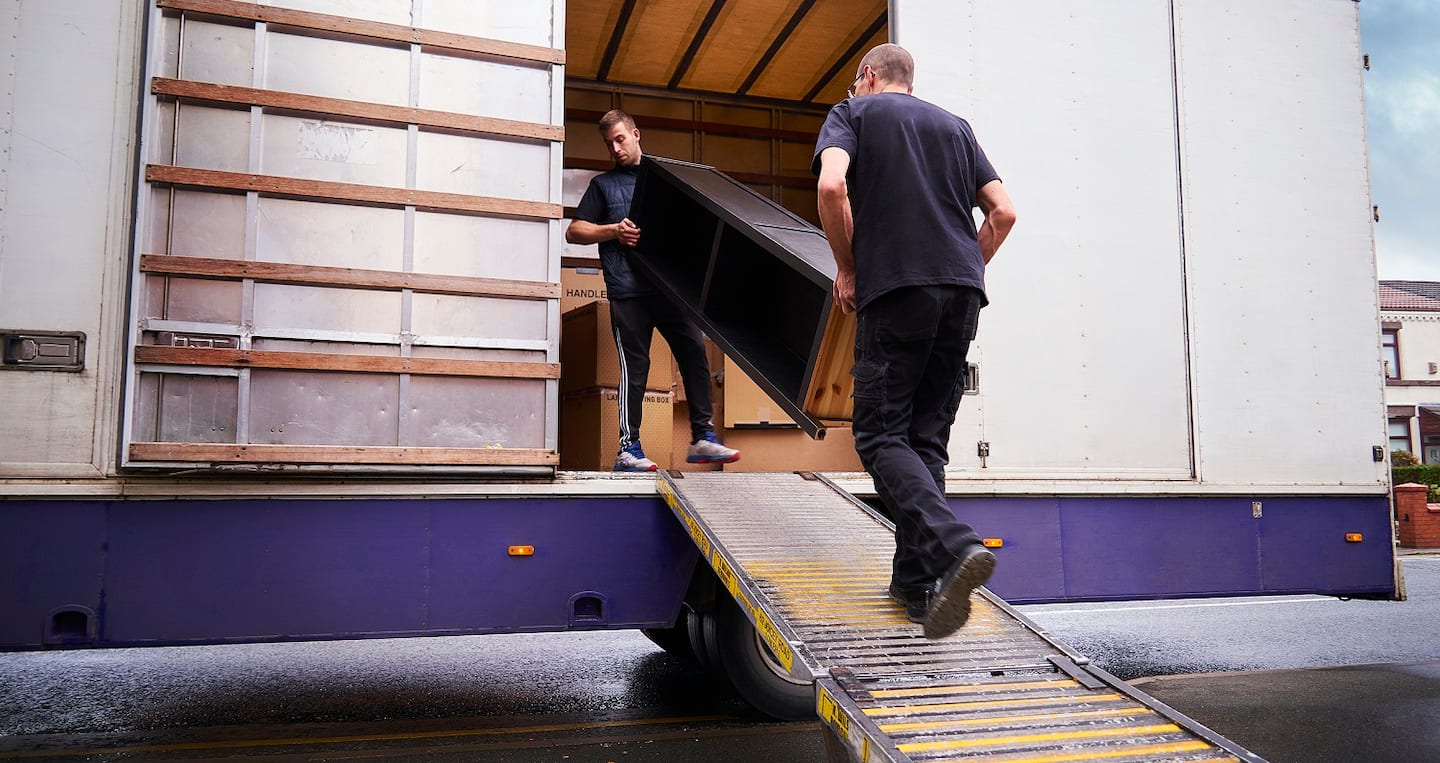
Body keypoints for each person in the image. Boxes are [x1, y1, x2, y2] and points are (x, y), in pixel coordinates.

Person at [813, 44, 1017, 639]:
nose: (854, 89)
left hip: (897, 289)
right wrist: (966, 268)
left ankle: (953, 547)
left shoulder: (852, 114)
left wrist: (848, 268)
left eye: (856, 82)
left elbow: (831, 188)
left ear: (869, 77)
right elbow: (1003, 211)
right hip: (962, 293)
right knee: (924, 441)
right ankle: (917, 585)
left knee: (879, 435)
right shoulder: (956, 127)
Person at [566, 110, 740, 472]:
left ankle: (703, 437)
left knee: (694, 351)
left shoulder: (664, 180)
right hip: (627, 291)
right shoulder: (603, 186)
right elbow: (575, 231)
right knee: (636, 367)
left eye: (620, 139)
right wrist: (613, 230)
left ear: (636, 134)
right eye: (609, 143)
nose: (615, 148)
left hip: (670, 290)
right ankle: (628, 449)